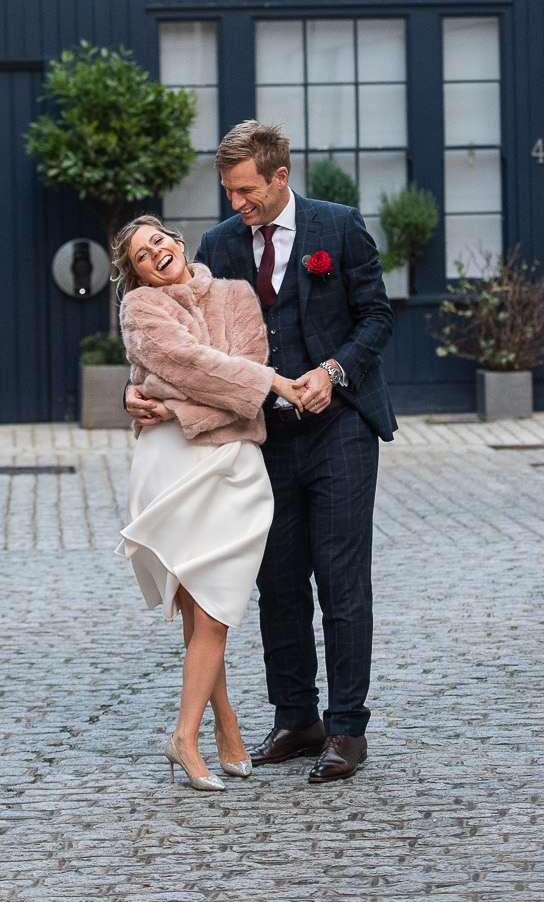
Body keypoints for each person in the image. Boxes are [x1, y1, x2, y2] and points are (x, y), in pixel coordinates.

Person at [127, 121, 395, 785]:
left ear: (280, 176)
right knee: (276, 581)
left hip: (339, 428)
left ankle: (344, 729)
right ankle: (295, 717)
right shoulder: (218, 245)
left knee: (339, 578)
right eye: (226, 189)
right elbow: (178, 344)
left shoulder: (339, 228)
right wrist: (131, 396)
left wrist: (332, 371)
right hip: (259, 436)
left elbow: (377, 318)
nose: (235, 202)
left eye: (245, 189)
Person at [113, 213, 306, 792]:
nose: (155, 256)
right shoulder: (141, 310)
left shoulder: (235, 296)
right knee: (206, 610)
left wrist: (177, 406)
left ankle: (224, 723)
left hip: (235, 467)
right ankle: (189, 734)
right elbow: (198, 367)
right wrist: (268, 382)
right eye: (142, 258)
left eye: (158, 243)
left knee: (215, 608)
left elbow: (229, 391)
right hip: (173, 466)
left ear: (176, 239)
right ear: (139, 276)